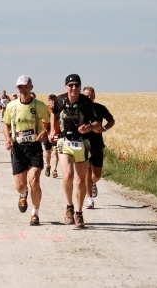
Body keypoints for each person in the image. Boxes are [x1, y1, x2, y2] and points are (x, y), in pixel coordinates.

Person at [48, 74, 99, 228]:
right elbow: (53, 113)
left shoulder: (86, 103)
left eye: (77, 85)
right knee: (69, 175)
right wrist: (52, 130)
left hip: (82, 143)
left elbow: (97, 123)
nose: (74, 88)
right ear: (66, 87)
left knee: (80, 180)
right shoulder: (59, 100)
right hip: (65, 141)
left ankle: (79, 212)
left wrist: (89, 127)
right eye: (71, 85)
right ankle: (69, 206)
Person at [3, 75, 50, 226]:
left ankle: (35, 214)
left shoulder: (39, 105)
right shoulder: (12, 106)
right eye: (20, 87)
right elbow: (6, 124)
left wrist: (45, 132)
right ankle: (23, 194)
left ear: (31, 87)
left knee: (34, 180)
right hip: (18, 149)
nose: (22, 89)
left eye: (25, 86)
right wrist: (8, 139)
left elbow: (50, 122)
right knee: (21, 185)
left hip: (34, 147)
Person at [83, 87, 115, 209]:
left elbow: (111, 120)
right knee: (87, 171)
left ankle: (93, 183)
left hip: (97, 143)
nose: (89, 97)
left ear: (94, 96)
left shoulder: (100, 108)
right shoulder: (80, 109)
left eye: (91, 95)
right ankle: (89, 199)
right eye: (86, 95)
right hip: (84, 143)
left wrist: (103, 129)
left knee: (97, 174)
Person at [42, 94, 60, 178]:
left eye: (54, 100)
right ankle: (48, 166)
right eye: (51, 100)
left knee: (56, 152)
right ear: (48, 101)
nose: (53, 101)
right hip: (47, 132)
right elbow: (41, 118)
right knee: (48, 152)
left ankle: (55, 170)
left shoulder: (60, 109)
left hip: (57, 133)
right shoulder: (46, 109)